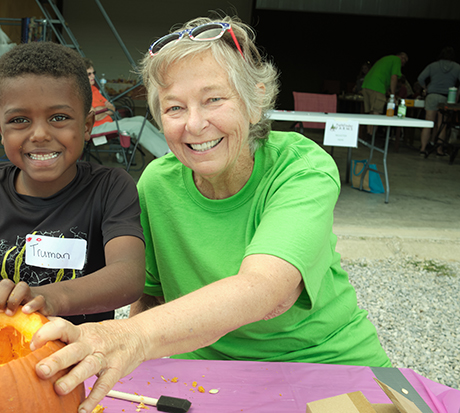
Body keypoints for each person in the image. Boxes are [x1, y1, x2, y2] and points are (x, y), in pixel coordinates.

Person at [29, 16, 391, 412]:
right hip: (202, 374)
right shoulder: (157, 183)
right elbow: (151, 297)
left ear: (254, 102)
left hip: (327, 367)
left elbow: (266, 291)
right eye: (174, 108)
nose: (195, 124)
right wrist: (140, 358)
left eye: (214, 99)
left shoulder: (301, 168)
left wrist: (129, 336)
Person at [0, 41, 146, 325]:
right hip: (3, 353)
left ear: (86, 125)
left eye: (59, 117)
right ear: (0, 129)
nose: (40, 134)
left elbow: (128, 276)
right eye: (20, 120)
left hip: (81, 355)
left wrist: (44, 299)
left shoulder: (111, 188)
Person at [83, 58, 170, 159]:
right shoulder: (82, 92)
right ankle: (166, 154)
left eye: (93, 73)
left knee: (141, 120)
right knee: (136, 127)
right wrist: (106, 109)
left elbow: (112, 108)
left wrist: (101, 109)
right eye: (89, 74)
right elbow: (94, 117)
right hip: (95, 128)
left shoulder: (94, 89)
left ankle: (169, 146)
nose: (93, 76)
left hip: (108, 123)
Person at [417, 47, 460, 156]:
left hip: (432, 95)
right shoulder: (457, 67)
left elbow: (420, 78)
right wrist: (457, 95)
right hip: (447, 98)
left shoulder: (433, 65)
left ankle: (422, 148)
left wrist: (425, 88)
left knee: (428, 122)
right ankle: (439, 150)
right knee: (442, 124)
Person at [361, 52, 409, 134]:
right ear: (403, 59)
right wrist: (393, 95)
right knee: (377, 112)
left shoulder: (387, 59)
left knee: (371, 113)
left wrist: (388, 91)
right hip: (377, 87)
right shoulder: (397, 60)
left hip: (367, 85)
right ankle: (372, 137)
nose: (402, 66)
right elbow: (393, 77)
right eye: (403, 63)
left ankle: (369, 135)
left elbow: (383, 75)